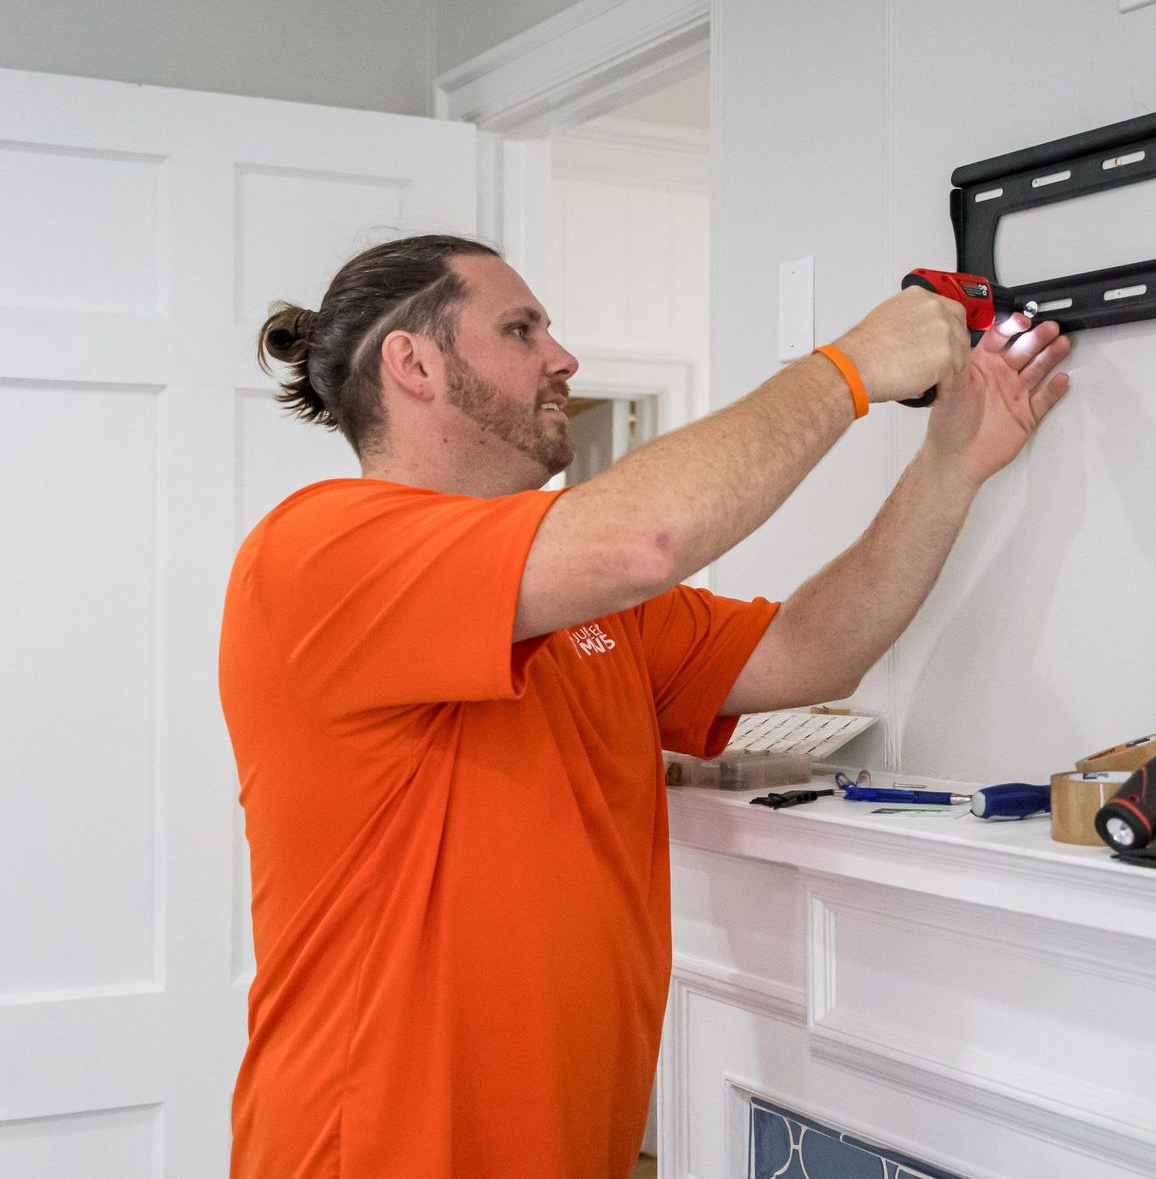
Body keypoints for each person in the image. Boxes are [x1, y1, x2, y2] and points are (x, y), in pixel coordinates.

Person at [218, 234, 1071, 1178]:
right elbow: (648, 537)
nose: (563, 357)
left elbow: (812, 651)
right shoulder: (321, 550)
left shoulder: (590, 611)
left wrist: (951, 464)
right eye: (520, 328)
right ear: (413, 362)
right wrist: (853, 367)